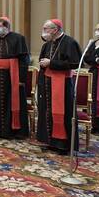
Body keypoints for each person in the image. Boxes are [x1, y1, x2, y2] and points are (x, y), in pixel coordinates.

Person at [36, 19, 82, 153]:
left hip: (63, 83)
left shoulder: (70, 42)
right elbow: (42, 63)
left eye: (46, 29)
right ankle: (50, 141)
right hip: (47, 82)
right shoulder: (47, 44)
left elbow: (75, 63)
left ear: (55, 30)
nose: (44, 32)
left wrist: (52, 63)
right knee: (47, 111)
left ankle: (63, 144)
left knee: (63, 112)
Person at [0, 17, 31, 138]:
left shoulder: (18, 38)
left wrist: (21, 79)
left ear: (7, 27)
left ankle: (14, 130)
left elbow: (24, 61)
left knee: (12, 102)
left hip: (12, 76)